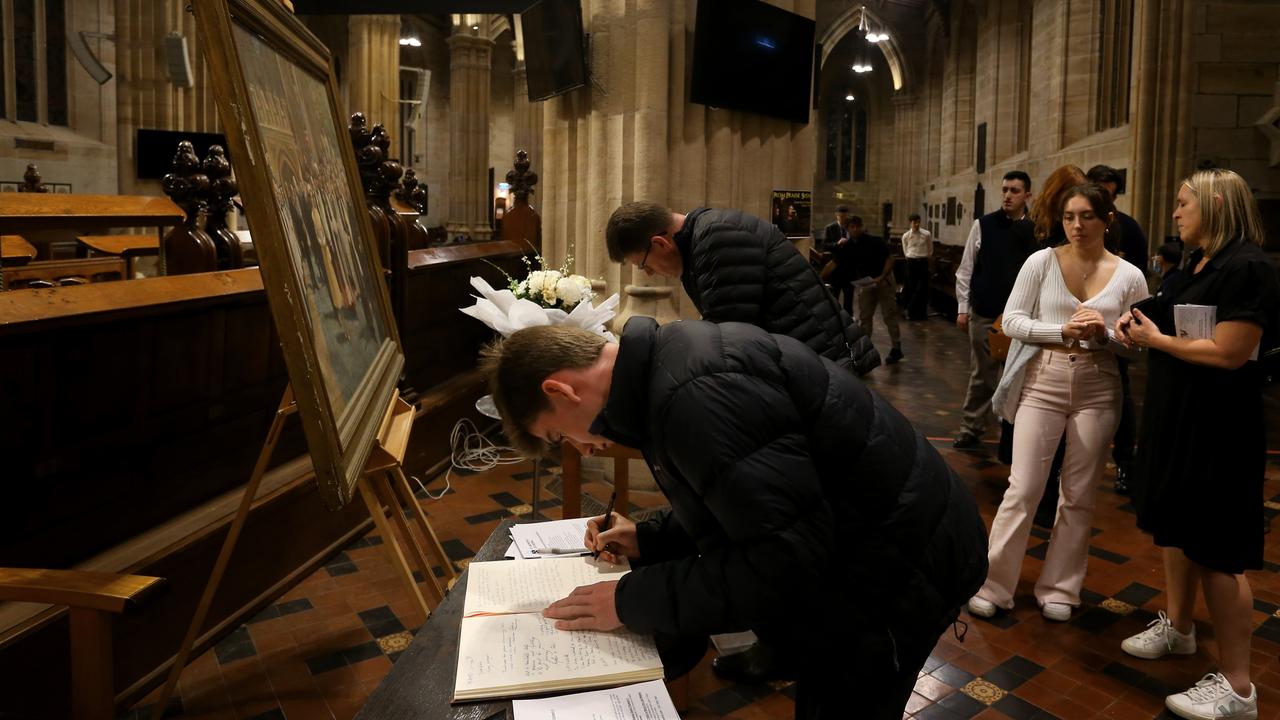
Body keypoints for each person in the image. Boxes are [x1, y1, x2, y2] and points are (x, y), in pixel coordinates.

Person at [482, 318, 989, 720]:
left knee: (848, 704)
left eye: (557, 436)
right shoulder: (668, 366)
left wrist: (630, 599)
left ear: (560, 390)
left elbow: (784, 560)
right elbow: (750, 501)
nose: (577, 445)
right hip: (873, 539)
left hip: (900, 568)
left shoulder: (694, 396)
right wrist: (651, 537)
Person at [1115, 169, 1277, 720]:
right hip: (1179, 418)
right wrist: (1131, 321)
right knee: (1178, 530)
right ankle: (1180, 629)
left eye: (1184, 203)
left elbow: (1231, 351)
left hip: (1219, 430)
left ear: (1213, 205)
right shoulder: (1196, 263)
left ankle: (1238, 689)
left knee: (1218, 552)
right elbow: (1171, 312)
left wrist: (1156, 340)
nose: (1176, 212)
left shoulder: (1248, 266)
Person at [967, 184, 1149, 623]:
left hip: (1098, 385)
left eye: (1086, 216)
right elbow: (1011, 320)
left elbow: (1139, 346)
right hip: (1043, 380)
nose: (1076, 225)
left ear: (1107, 219)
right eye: (1069, 216)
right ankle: (994, 584)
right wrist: (1061, 332)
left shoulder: (1129, 276)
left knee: (1079, 495)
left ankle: (1060, 589)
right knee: (1024, 487)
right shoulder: (1041, 261)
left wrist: (1102, 335)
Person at [605, 201, 880, 377]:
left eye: (644, 265)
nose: (651, 273)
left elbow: (731, 334)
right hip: (817, 363)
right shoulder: (706, 236)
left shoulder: (716, 237)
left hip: (831, 367)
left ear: (660, 243)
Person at [953, 170, 1034, 448]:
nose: (1008, 195)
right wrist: (963, 308)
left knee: (1017, 376)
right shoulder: (984, 225)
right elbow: (965, 270)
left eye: (1014, 190)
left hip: (1021, 317)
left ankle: (1010, 428)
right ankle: (971, 426)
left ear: (1027, 195)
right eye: (1004, 190)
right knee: (983, 374)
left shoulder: (1036, 229)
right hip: (986, 313)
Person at [1087, 164, 1150, 495]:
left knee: (1122, 397)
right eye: (1097, 187)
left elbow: (1138, 282)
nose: (1103, 195)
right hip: (1078, 325)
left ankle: (1126, 464)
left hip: (1116, 328)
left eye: (1109, 190)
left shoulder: (1128, 227)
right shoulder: (1078, 224)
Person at [828, 215, 904, 363]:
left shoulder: (874, 241)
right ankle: (864, 350)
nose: (855, 229)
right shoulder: (849, 246)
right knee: (865, 316)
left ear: (862, 227)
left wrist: (881, 277)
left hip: (884, 280)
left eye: (857, 226)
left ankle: (896, 348)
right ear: (847, 229)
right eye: (851, 227)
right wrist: (819, 277)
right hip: (867, 282)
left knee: (889, 314)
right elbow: (833, 264)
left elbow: (890, 260)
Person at [821, 205, 856, 313]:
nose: (843, 219)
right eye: (841, 216)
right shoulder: (830, 228)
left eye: (845, 216)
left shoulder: (852, 227)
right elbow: (824, 245)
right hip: (836, 266)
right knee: (834, 294)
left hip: (850, 267)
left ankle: (849, 317)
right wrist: (837, 243)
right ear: (836, 215)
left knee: (849, 295)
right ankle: (835, 316)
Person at [901, 213, 933, 320]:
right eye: (915, 222)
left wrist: (925, 258)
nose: (917, 224)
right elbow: (905, 250)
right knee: (911, 288)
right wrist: (911, 258)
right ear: (910, 223)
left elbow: (930, 249)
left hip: (923, 262)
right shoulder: (906, 236)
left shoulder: (926, 234)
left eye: (918, 222)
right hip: (911, 262)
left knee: (922, 288)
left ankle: (920, 313)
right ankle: (911, 313)